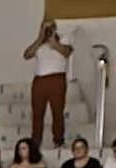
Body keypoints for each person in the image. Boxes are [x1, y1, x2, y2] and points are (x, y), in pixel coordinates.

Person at [24, 18, 72, 148]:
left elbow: (67, 52)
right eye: (44, 28)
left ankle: (58, 140)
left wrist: (53, 42)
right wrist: (40, 38)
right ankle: (35, 142)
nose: (47, 30)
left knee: (57, 111)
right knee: (37, 112)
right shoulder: (39, 44)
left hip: (57, 79)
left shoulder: (63, 39)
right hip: (40, 80)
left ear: (55, 28)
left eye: (50, 27)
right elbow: (27, 55)